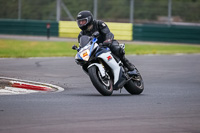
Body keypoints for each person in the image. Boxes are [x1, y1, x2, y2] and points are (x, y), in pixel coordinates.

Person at [76, 10, 136, 75]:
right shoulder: (81, 35)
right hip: (94, 49)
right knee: (84, 62)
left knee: (116, 48)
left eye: (83, 21)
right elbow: (82, 46)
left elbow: (108, 33)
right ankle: (97, 75)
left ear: (89, 19)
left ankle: (130, 68)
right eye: (80, 22)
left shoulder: (99, 24)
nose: (81, 23)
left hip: (106, 44)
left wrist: (108, 40)